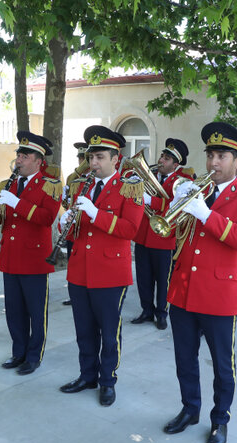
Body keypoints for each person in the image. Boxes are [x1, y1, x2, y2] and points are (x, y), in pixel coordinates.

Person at [162, 122, 237, 443]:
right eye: (210, 155)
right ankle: (190, 409)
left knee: (222, 364)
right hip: (184, 288)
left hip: (220, 294)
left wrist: (206, 214)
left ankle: (220, 418)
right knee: (184, 358)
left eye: (222, 156)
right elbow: (168, 232)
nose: (213, 163)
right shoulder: (196, 188)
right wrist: (175, 206)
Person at [58, 126, 143, 406]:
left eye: (100, 157)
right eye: (90, 157)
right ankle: (87, 375)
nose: (93, 163)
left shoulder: (130, 187)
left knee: (108, 330)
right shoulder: (81, 185)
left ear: (115, 159)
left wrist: (95, 214)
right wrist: (66, 224)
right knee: (83, 328)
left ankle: (107, 380)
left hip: (109, 272)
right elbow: (77, 232)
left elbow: (131, 229)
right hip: (80, 269)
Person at [0, 131, 62, 375]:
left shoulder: (50, 186)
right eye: (18, 154)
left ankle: (33, 355)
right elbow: (2, 221)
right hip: (10, 256)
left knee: (35, 311)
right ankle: (18, 352)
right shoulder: (8, 184)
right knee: (14, 310)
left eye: (25, 155)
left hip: (34, 259)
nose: (19, 159)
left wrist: (16, 203)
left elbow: (46, 218)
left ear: (39, 161)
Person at [131, 138, 192, 330]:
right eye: (162, 156)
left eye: (166, 159)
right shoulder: (149, 175)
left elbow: (177, 207)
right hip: (143, 234)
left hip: (165, 237)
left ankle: (161, 313)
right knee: (143, 277)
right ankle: (147, 310)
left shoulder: (183, 181)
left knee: (163, 278)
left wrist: (152, 201)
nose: (161, 160)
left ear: (176, 164)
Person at [61, 142, 89, 306]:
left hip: (86, 227)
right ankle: (74, 295)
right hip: (73, 227)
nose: (81, 162)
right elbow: (67, 204)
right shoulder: (73, 177)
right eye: (80, 158)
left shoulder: (90, 177)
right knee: (74, 265)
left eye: (84, 158)